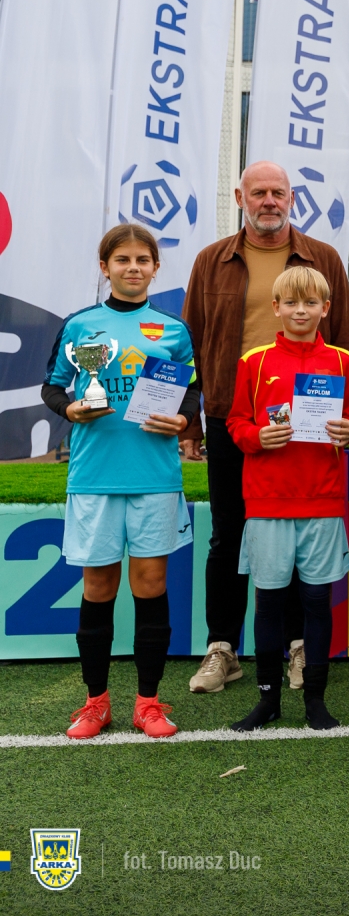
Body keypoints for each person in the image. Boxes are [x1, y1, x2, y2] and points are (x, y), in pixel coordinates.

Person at [183, 160, 349, 695]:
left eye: (277, 192)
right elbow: (191, 341)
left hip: (309, 423)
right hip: (232, 416)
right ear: (240, 197)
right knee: (228, 532)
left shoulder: (322, 258)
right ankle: (222, 648)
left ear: (292, 198)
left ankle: (299, 647)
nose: (268, 201)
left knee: (299, 535)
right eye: (257, 192)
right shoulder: (212, 260)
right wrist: (192, 419)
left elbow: (344, 339)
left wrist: (343, 419)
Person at [46, 224, 201, 739]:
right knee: (98, 587)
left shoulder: (173, 329)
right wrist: (69, 408)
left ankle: (148, 703)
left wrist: (183, 420)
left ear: (155, 268)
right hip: (95, 477)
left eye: (142, 260)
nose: (133, 268)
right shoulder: (79, 326)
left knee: (151, 586)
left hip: (155, 477)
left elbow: (191, 391)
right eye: (122, 260)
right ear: (104, 266)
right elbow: (53, 387)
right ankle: (95, 704)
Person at [225, 267, 349, 731]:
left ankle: (315, 702)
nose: (300, 311)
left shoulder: (343, 360)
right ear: (276, 308)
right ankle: (267, 700)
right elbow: (236, 423)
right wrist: (256, 437)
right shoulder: (255, 361)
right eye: (291, 303)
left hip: (322, 499)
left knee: (316, 601)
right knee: (268, 603)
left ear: (326, 308)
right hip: (268, 501)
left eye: (310, 303)